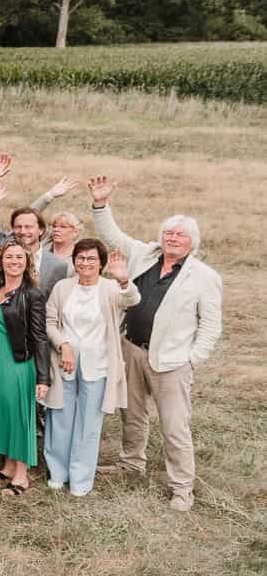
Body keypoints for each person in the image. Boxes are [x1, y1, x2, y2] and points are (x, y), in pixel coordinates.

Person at [89, 176, 223, 512]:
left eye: (180, 235)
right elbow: (112, 234)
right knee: (131, 414)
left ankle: (182, 487)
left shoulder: (204, 277)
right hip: (132, 349)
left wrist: (193, 358)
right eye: (169, 233)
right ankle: (131, 464)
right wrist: (101, 204)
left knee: (174, 425)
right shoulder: (144, 254)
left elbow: (210, 325)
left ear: (193, 242)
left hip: (173, 361)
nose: (173, 238)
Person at [43, 239, 139, 497]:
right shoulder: (64, 287)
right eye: (81, 258)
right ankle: (58, 472)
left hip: (98, 366)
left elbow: (131, 300)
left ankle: (81, 479)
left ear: (101, 263)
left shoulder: (109, 289)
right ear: (74, 261)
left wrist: (123, 280)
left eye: (91, 259)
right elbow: (50, 320)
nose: (85, 263)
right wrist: (63, 345)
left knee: (89, 422)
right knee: (60, 417)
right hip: (64, 363)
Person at [0, 239, 51, 496]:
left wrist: (43, 377)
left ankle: (21, 474)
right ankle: (7, 466)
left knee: (19, 417)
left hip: (17, 363)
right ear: (1, 260)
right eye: (9, 257)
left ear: (27, 262)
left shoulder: (32, 294)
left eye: (20, 257)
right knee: (4, 414)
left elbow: (40, 337)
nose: (14, 262)